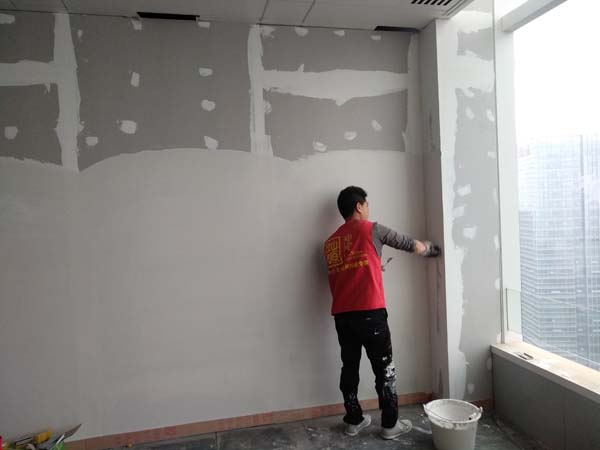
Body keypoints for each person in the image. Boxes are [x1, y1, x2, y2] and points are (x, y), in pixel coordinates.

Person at [323, 186, 441, 439]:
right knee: (384, 369)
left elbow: (347, 272)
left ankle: (353, 421)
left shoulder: (330, 242)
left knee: (349, 368)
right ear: (359, 206)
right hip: (370, 313)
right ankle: (389, 425)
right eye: (366, 204)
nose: (368, 209)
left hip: (342, 316)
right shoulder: (372, 229)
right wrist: (429, 249)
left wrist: (374, 266)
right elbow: (406, 243)